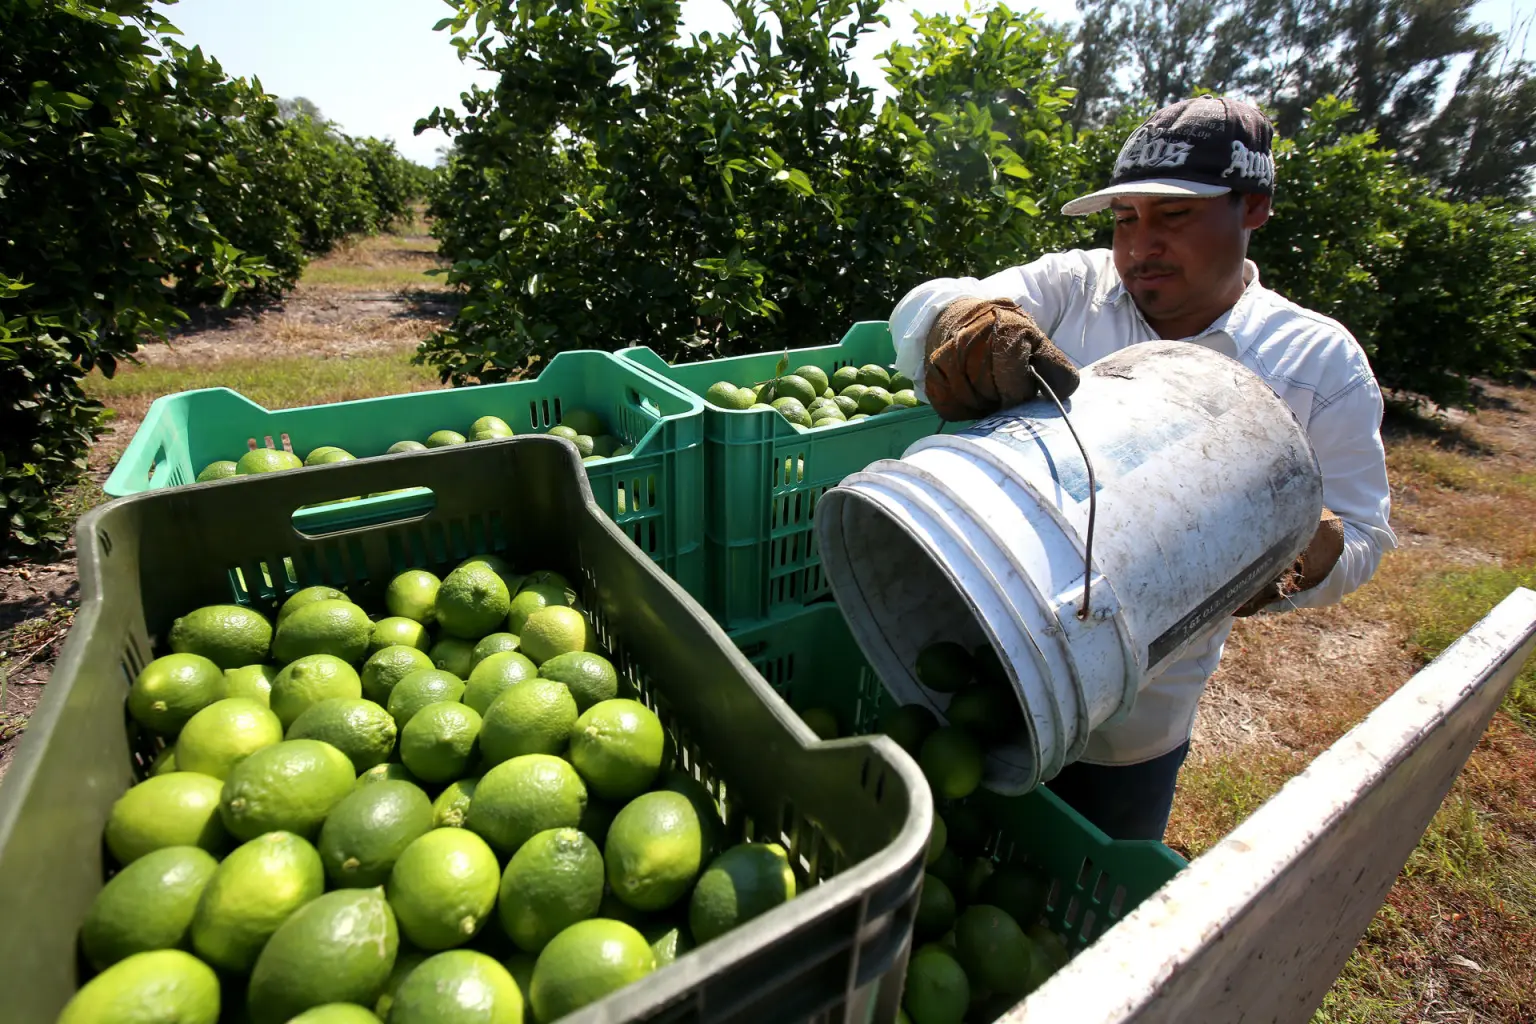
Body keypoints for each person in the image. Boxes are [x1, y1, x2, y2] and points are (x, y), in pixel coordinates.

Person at [889, 96, 1397, 841]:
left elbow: (1364, 536)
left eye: (1174, 216)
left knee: (1089, 894)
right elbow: (932, 304)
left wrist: (1296, 550)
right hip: (979, 644)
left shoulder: (1316, 364)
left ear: (1253, 207)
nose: (1139, 247)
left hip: (1136, 717)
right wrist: (961, 325)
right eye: (1126, 218)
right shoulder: (1077, 290)